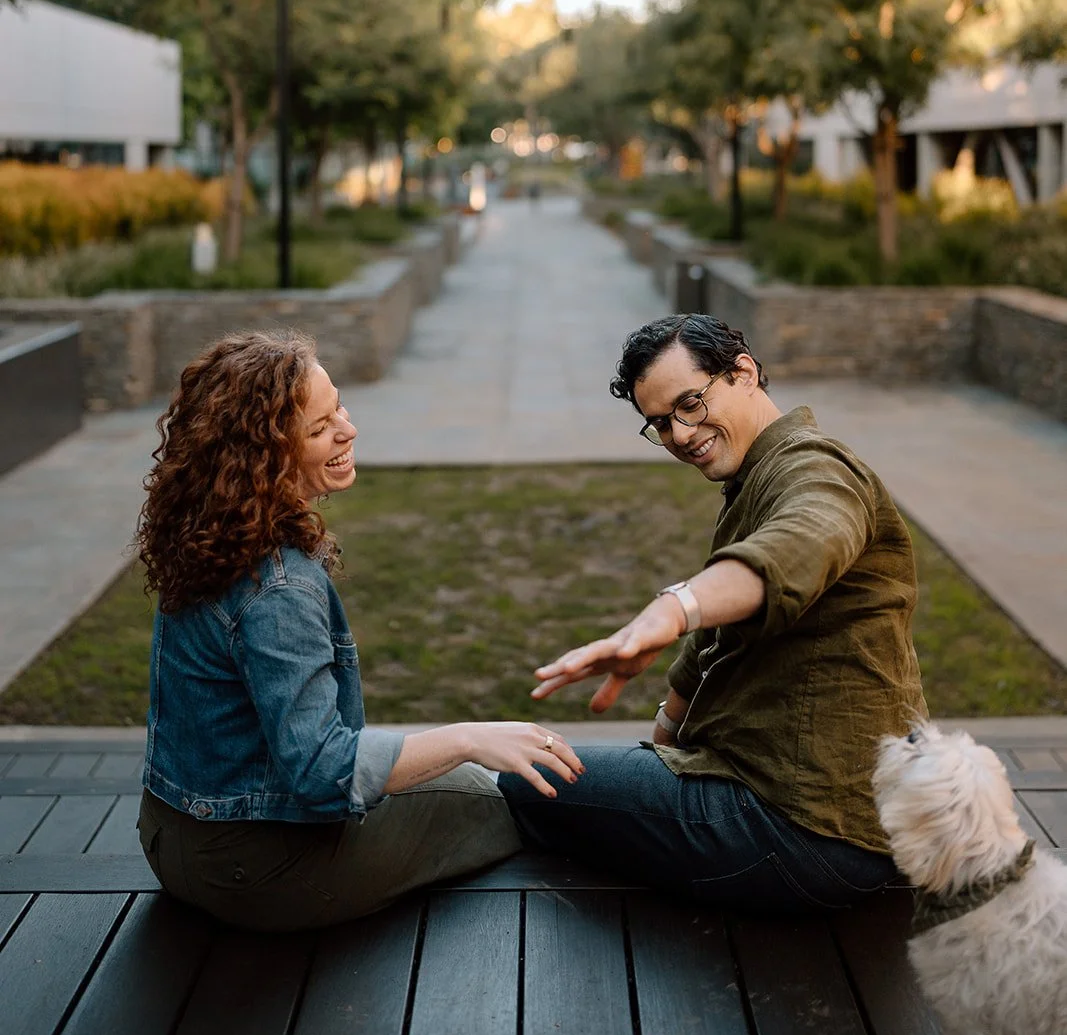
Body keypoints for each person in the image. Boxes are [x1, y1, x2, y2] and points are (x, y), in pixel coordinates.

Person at [135, 331, 583, 932]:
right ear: (262, 453)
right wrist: (468, 737)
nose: (348, 430)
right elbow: (324, 772)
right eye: (320, 428)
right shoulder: (278, 587)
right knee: (504, 796)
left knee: (461, 777)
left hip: (169, 839)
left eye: (338, 407)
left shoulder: (206, 536)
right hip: (257, 870)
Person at [498, 313, 927, 914]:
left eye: (690, 404)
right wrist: (668, 730)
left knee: (524, 783)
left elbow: (801, 543)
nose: (680, 433)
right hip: (825, 814)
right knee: (562, 774)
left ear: (743, 372)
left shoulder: (817, 470)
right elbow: (717, 643)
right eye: (660, 422)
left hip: (808, 831)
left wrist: (673, 608)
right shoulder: (756, 479)